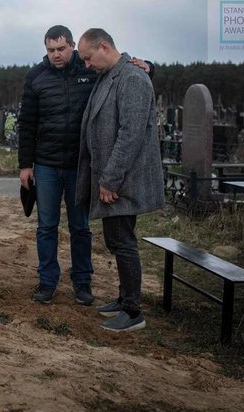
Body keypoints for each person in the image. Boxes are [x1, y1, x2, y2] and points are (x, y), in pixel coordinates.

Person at [18, 25, 152, 306]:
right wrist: (25, 165)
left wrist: (150, 66)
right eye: (50, 50)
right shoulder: (36, 77)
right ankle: (47, 281)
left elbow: (124, 72)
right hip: (46, 163)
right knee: (46, 226)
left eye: (62, 49)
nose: (56, 55)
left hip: (81, 165)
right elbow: (27, 123)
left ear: (72, 47)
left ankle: (82, 282)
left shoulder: (90, 68)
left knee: (80, 227)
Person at [75, 28, 164, 332]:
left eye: (88, 58)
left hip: (122, 181)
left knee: (123, 242)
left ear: (104, 47)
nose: (86, 64)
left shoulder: (132, 78)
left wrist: (110, 180)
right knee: (116, 238)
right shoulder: (109, 76)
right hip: (113, 179)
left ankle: (132, 311)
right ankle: (124, 297)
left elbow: (130, 135)